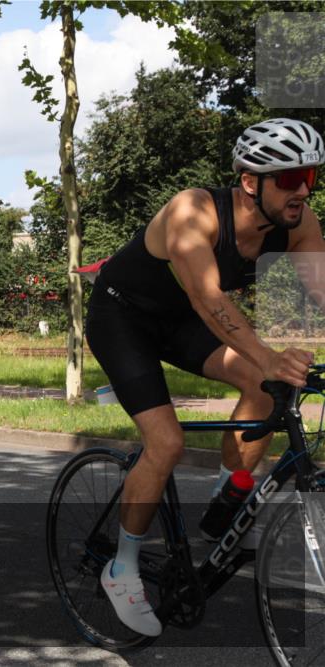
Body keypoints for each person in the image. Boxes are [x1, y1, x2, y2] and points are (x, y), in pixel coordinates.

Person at [85, 118, 325, 636]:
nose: (302, 189)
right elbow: (208, 297)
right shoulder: (192, 212)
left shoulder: (299, 222)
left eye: (310, 175)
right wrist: (266, 355)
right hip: (122, 318)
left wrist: (269, 367)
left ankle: (226, 509)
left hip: (180, 324)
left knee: (266, 389)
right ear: (248, 182)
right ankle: (122, 567)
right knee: (166, 443)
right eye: (288, 178)